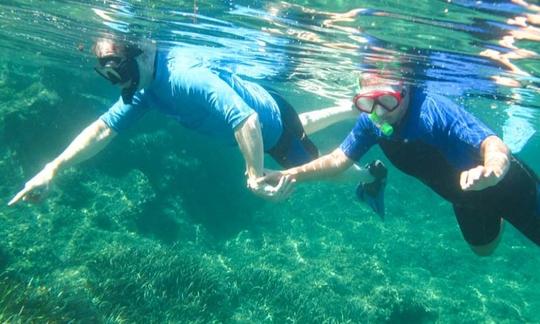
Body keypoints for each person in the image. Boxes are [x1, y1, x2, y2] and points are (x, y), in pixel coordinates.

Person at [8, 36, 367, 206]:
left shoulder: (180, 78)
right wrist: (53, 167)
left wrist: (254, 175)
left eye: (119, 70)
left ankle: (368, 175)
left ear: (141, 50)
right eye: (109, 75)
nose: (119, 83)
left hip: (270, 129)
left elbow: (249, 122)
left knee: (329, 172)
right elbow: (103, 128)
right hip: (275, 107)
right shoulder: (147, 86)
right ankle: (353, 107)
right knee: (297, 123)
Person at [262, 72, 540, 256]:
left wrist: (491, 171)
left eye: (386, 99)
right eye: (368, 102)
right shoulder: (371, 122)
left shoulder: (432, 109)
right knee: (483, 251)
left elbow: (494, 145)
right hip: (465, 198)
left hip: (511, 187)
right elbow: (337, 161)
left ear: (405, 91)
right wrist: (288, 174)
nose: (379, 111)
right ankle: (496, 218)